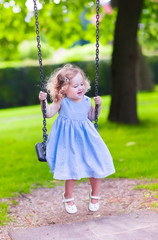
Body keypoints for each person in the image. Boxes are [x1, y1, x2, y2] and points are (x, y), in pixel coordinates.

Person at [39, 64, 115, 214]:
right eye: (75, 86)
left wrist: (98, 106)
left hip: (87, 140)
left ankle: (95, 195)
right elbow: (48, 114)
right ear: (63, 89)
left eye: (81, 84)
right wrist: (43, 101)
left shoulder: (87, 101)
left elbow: (92, 117)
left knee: (96, 166)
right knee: (72, 169)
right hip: (68, 142)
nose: (80, 88)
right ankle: (68, 196)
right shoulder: (62, 101)